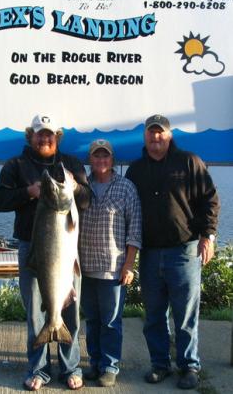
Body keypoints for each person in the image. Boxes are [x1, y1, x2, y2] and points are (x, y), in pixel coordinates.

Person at [0, 114, 90, 391]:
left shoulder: (70, 163)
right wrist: (30, 191)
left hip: (66, 252)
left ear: (57, 137)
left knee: (69, 310)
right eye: (39, 134)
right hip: (30, 249)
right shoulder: (16, 164)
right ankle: (38, 369)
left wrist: (74, 187)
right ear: (30, 136)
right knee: (36, 312)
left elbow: (86, 200)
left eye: (49, 134)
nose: (44, 139)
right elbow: (0, 201)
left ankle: (71, 367)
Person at [125, 114, 220, 390]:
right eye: (151, 133)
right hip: (150, 253)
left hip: (185, 250)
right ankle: (160, 364)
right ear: (145, 136)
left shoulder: (190, 161)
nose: (156, 138)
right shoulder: (136, 170)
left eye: (160, 133)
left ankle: (189, 366)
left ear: (169, 135)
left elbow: (210, 200)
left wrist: (208, 236)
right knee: (153, 315)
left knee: (185, 314)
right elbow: (127, 213)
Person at [78, 139, 142, 387]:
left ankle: (110, 366)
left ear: (112, 160)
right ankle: (94, 363)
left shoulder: (126, 187)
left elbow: (134, 230)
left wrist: (129, 265)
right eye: (96, 156)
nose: (101, 160)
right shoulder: (82, 187)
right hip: (84, 267)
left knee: (111, 322)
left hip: (113, 268)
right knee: (92, 321)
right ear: (90, 160)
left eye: (105, 156)